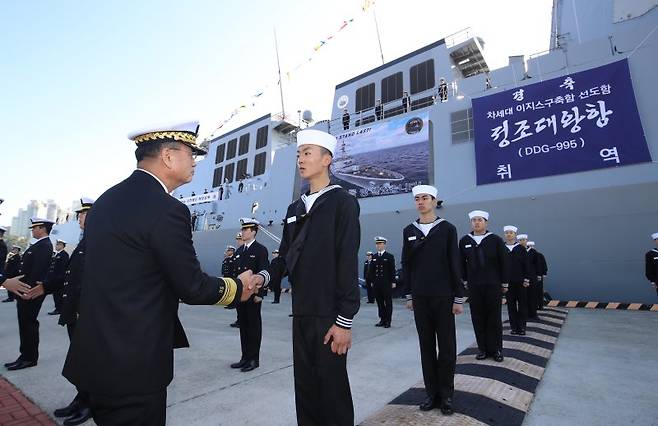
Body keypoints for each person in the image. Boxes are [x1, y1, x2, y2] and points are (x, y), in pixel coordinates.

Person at [61, 121, 256, 425]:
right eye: (191, 154)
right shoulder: (167, 209)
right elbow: (191, 286)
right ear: (167, 155)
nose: (194, 162)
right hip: (134, 366)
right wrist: (236, 287)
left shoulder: (104, 202)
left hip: (95, 358)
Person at [250, 128, 360, 426]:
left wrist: (344, 321)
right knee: (306, 389)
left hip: (330, 315)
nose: (300, 159)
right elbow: (285, 257)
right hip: (301, 311)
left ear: (326, 159)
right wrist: (262, 278)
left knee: (333, 392)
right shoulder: (295, 208)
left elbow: (347, 261)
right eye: (299, 153)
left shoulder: (342, 203)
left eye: (307, 152)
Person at [402, 185, 464, 415]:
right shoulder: (409, 229)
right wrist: (409, 294)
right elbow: (406, 264)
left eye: (425, 198)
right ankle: (431, 394)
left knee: (447, 348)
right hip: (420, 297)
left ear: (434, 201)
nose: (421, 202)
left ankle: (447, 396)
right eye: (417, 198)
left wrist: (458, 297)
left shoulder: (447, 229)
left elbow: (454, 263)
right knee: (426, 347)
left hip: (444, 297)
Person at [49, 198, 95, 426]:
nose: (80, 217)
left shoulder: (98, 241)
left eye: (84, 214)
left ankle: (90, 403)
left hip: (84, 315)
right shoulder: (84, 241)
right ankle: (81, 398)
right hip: (74, 314)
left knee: (88, 362)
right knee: (79, 361)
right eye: (79, 214)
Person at [1, 218, 55, 371]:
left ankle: (29, 358)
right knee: (24, 323)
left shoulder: (45, 245)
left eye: (34, 227)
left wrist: (27, 292)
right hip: (25, 291)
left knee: (28, 323)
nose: (32, 230)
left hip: (30, 293)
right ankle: (24, 355)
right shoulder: (39, 245)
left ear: (42, 228)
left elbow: (37, 272)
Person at [459, 211, 508, 362]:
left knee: (494, 318)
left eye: (479, 220)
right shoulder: (465, 240)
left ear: (486, 222)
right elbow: (460, 262)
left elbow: (504, 262)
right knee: (478, 317)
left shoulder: (495, 240)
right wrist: (464, 280)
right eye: (473, 220)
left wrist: (504, 282)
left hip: (493, 285)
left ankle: (497, 350)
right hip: (474, 286)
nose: (476, 223)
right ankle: (482, 349)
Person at [231, 218, 269, 373]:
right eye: (243, 229)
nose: (243, 232)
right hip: (241, 296)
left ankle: (254, 359)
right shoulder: (239, 251)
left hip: (253, 296)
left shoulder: (261, 250)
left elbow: (264, 272)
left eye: (246, 229)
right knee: (243, 327)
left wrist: (260, 294)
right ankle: (244, 357)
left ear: (254, 231)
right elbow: (235, 274)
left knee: (253, 327)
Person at [503, 226, 530, 335]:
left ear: (515, 234)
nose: (509, 234)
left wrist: (526, 279)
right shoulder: (502, 248)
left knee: (522, 304)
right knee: (511, 305)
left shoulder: (521, 249)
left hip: (520, 281)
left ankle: (522, 327)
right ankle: (514, 327)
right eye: (507, 233)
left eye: (511, 233)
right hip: (507, 283)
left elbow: (526, 265)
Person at [368, 237, 395, 328]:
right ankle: (382, 319)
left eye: (380, 244)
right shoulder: (374, 257)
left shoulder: (389, 256)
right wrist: (372, 281)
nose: (379, 246)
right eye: (377, 244)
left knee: (388, 302)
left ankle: (388, 321)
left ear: (384, 245)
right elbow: (371, 270)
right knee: (379, 302)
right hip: (377, 283)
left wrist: (393, 281)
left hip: (386, 283)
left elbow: (392, 270)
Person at [47, 239, 70, 316]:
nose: (57, 246)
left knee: (58, 295)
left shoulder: (64, 254)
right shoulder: (57, 254)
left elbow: (63, 268)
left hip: (59, 278)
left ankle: (59, 309)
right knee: (55, 294)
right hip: (54, 278)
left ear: (62, 246)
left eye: (58, 244)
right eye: (57, 244)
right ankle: (58, 308)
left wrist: (60, 277)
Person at [517, 234, 538, 319]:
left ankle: (533, 314)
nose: (522, 241)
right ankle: (523, 315)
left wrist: (538, 275)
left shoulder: (533, 252)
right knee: (522, 298)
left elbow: (537, 264)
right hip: (520, 277)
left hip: (531, 276)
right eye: (521, 240)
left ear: (527, 241)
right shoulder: (516, 250)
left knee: (532, 296)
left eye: (524, 240)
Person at [229, 232, 244, 328]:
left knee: (245, 305)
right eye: (238, 240)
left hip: (245, 282)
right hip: (237, 281)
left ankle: (243, 321)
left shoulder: (246, 251)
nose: (238, 241)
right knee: (239, 304)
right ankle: (240, 320)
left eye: (240, 239)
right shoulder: (238, 252)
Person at [529, 242, 548, 309]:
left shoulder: (539, 255)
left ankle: (540, 306)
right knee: (531, 292)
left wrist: (544, 273)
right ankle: (532, 306)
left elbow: (544, 264)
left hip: (539, 276)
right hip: (530, 276)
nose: (530, 247)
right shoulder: (526, 255)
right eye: (529, 246)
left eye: (532, 246)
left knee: (539, 291)